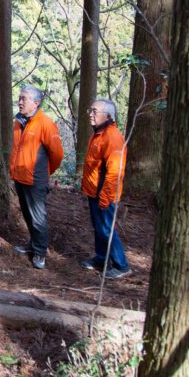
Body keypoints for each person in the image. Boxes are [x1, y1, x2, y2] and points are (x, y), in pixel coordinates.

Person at [9, 86, 64, 270]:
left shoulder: (46, 124)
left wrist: (45, 172)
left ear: (35, 102)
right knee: (27, 214)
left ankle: (40, 252)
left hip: (36, 179)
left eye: (24, 98)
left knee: (38, 217)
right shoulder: (18, 122)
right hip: (19, 177)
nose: (20, 101)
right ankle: (32, 244)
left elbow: (57, 154)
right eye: (19, 98)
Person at [80, 98, 131, 279]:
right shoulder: (99, 134)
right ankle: (101, 258)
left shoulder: (113, 138)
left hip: (105, 194)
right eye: (91, 111)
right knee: (99, 227)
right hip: (94, 191)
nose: (91, 115)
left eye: (95, 112)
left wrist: (105, 196)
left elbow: (114, 173)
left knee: (106, 228)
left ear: (107, 116)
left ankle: (121, 265)